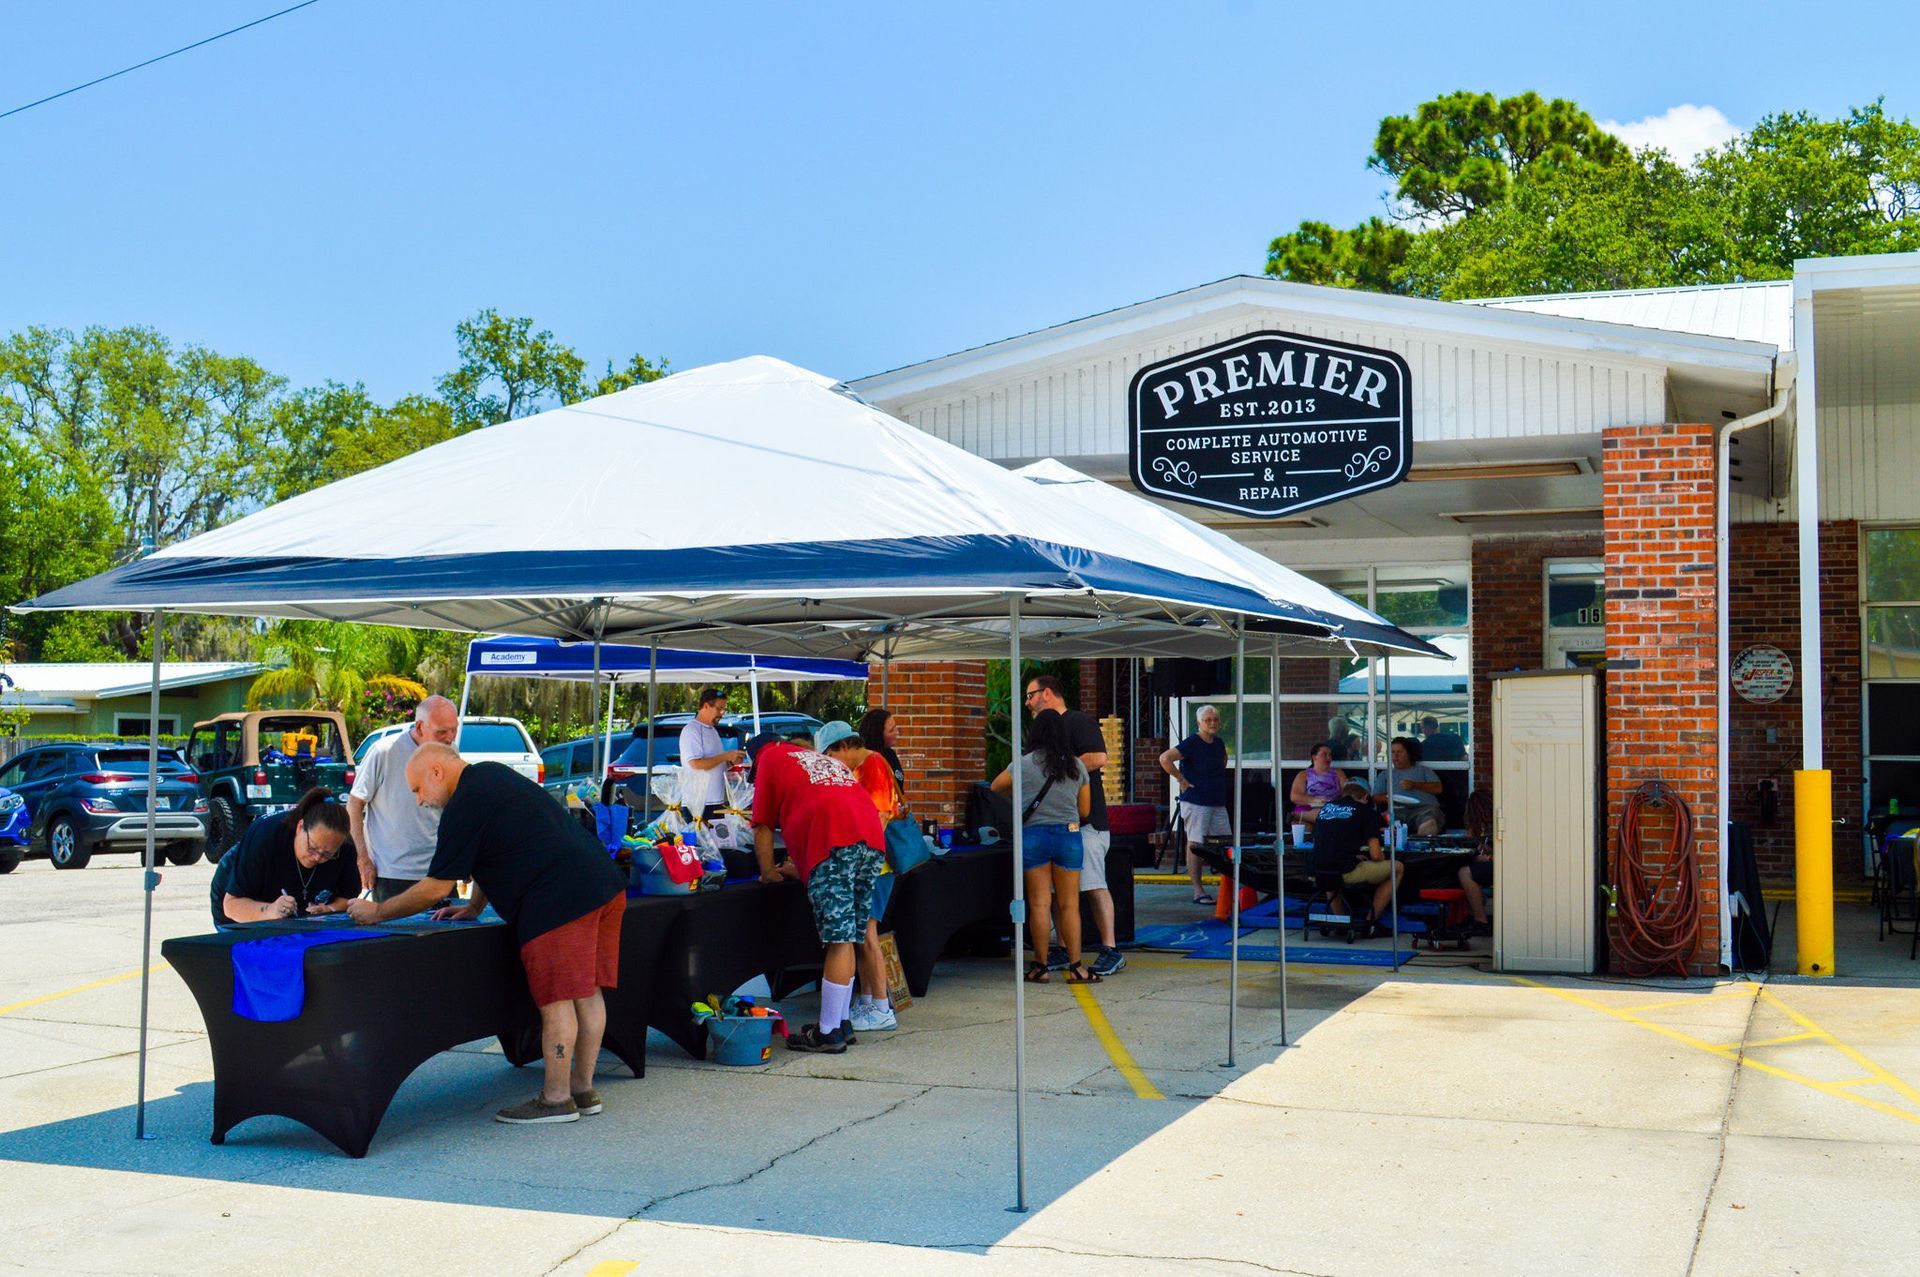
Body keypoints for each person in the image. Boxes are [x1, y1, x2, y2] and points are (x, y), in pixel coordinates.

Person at [344, 744, 627, 1126]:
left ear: (437, 772)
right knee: (587, 991)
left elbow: (433, 887)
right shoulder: (492, 776)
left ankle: (557, 1099)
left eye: (417, 789)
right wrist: (475, 907)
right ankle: (582, 1090)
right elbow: (496, 852)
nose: (419, 799)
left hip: (559, 899)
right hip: (603, 884)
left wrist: (377, 911)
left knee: (559, 1001)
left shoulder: (462, 805)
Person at [747, 729, 886, 1054]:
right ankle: (840, 1023)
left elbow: (763, 826)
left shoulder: (769, 757)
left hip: (835, 840)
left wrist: (768, 873)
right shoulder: (817, 759)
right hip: (870, 841)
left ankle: (827, 1033)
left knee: (838, 938)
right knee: (850, 933)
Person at [1025, 675, 1123, 975]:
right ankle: (1065, 949)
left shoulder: (1078, 721)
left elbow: (1100, 756)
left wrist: (1061, 769)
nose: (1027, 701)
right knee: (1056, 893)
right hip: (1058, 824)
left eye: (1031, 695)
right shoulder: (1045, 733)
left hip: (1087, 823)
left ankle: (1110, 948)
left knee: (1093, 884)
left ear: (1048, 693)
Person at [992, 708, 1099, 983]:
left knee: (1039, 905)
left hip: (1033, 836)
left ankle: (1040, 967)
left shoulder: (1023, 764)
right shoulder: (1076, 765)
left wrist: (1022, 799)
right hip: (1069, 835)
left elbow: (995, 787)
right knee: (1070, 905)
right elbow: (1085, 809)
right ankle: (1077, 968)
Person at [818, 720, 898, 1033]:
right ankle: (868, 1002)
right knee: (861, 934)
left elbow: (878, 818)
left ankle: (880, 1007)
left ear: (846, 746)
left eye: (830, 756)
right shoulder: (862, 765)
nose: (829, 764)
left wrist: (859, 859)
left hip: (875, 866)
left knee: (867, 935)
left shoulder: (872, 764)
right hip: (870, 863)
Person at [348, 694, 458, 902]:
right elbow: (354, 803)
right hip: (394, 872)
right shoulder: (384, 751)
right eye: (441, 732)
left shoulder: (451, 751)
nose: (450, 737)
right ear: (419, 727)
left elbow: (454, 807)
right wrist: (362, 857)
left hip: (439, 870)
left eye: (454, 729)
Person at [209, 787, 360, 926]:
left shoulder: (344, 847)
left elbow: (349, 898)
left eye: (327, 854)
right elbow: (232, 905)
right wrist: (270, 911)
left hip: (298, 917)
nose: (317, 858)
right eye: (312, 848)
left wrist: (330, 909)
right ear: (300, 827)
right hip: (240, 910)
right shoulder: (265, 837)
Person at [1158, 705, 1230, 904]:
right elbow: (1165, 758)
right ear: (1199, 723)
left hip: (1217, 801)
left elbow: (1223, 761)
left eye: (1215, 719)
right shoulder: (1191, 743)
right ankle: (1198, 891)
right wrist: (1180, 779)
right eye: (1208, 720)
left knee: (1225, 843)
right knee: (1196, 844)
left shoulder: (1219, 743)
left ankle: (1228, 888)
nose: (1213, 723)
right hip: (1196, 800)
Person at [1307, 780, 1401, 931]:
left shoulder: (1325, 809)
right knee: (1397, 868)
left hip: (1315, 870)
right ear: (1365, 798)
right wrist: (1381, 857)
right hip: (1343, 871)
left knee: (1330, 864)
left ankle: (1339, 920)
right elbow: (1376, 855)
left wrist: (1354, 857)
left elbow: (1329, 845)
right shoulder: (1366, 811)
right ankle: (1371, 923)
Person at [679, 687, 746, 821]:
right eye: (719, 709)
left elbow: (715, 763)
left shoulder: (713, 731)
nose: (721, 713)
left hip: (715, 801)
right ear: (705, 706)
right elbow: (696, 764)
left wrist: (731, 762)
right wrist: (726, 756)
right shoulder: (691, 730)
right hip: (698, 804)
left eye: (724, 709)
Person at [1370, 736, 1444, 837]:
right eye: (1392, 752)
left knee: (1429, 824)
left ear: (1408, 754)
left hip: (1424, 810)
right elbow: (1375, 797)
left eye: (1399, 752)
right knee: (1384, 820)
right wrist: (1386, 798)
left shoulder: (1423, 770)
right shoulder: (1385, 775)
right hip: (1395, 811)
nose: (1395, 756)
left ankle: (1419, 848)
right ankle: (1394, 848)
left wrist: (1414, 785)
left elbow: (1438, 788)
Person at [1458, 787, 1494, 936]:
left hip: (1510, 867)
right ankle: (1473, 914)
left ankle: (1480, 920)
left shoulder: (1497, 826)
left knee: (1465, 873)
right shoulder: (1491, 826)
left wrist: (1488, 858)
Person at [1289, 742, 1348, 825]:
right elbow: (1294, 797)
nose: (1328, 758)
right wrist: (1317, 801)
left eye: (1330, 755)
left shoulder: (1338, 773)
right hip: (1307, 809)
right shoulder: (1303, 775)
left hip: (1333, 808)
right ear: (1314, 757)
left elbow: (1348, 792)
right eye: (1324, 754)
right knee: (1306, 826)